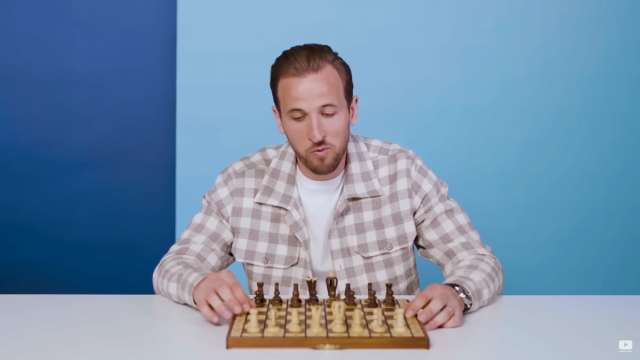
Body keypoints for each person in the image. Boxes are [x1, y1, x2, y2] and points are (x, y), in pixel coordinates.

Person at [153, 43, 503, 332]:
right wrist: (199, 284)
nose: (316, 133)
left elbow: (478, 260)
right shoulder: (239, 183)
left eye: (329, 112)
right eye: (298, 117)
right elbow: (172, 267)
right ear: (278, 119)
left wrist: (457, 293)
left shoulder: (403, 172)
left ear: (353, 109)